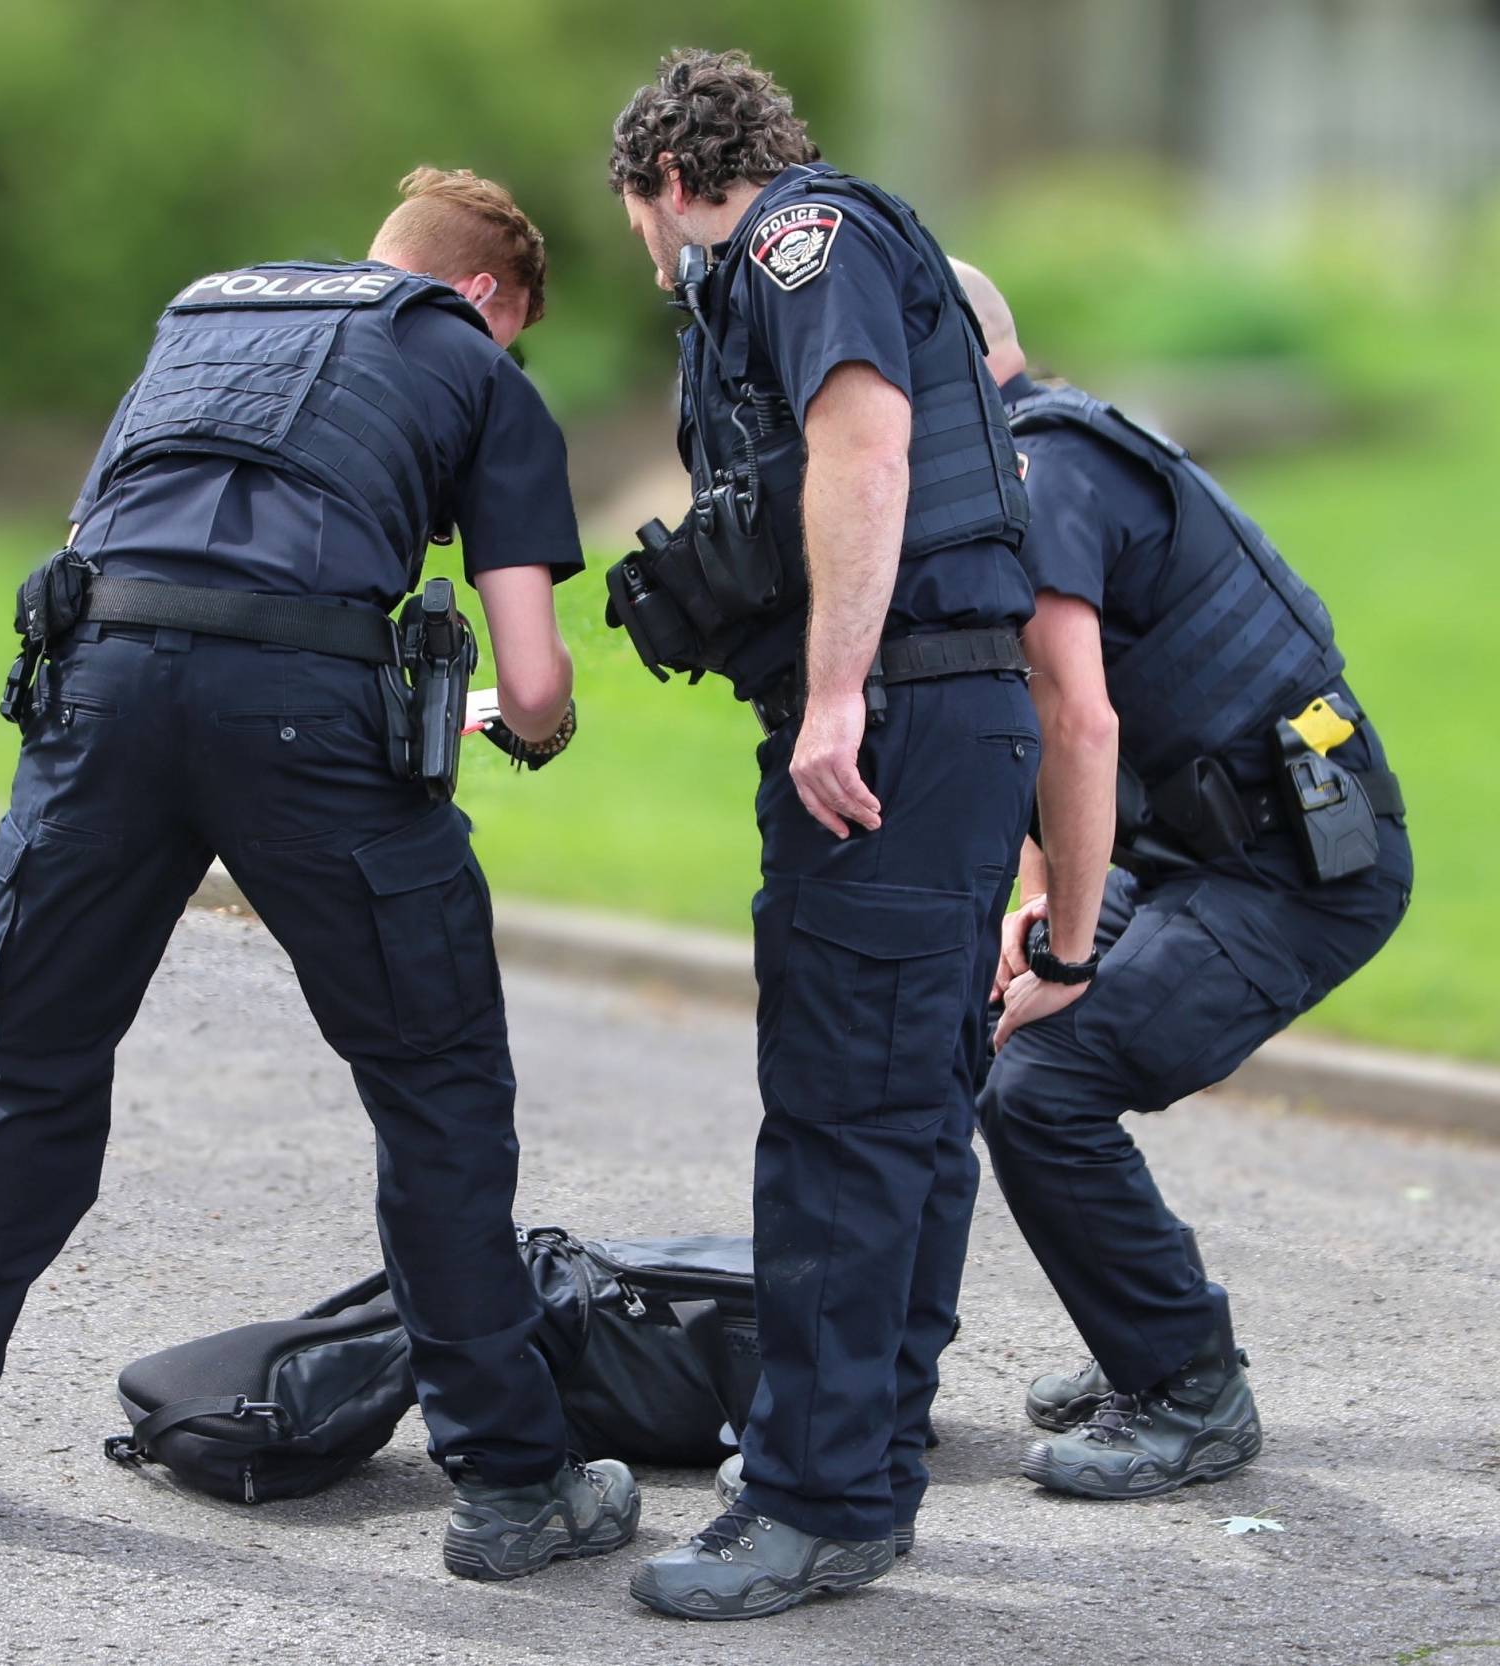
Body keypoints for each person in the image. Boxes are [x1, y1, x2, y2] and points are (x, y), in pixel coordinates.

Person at [0, 168, 640, 1582]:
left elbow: (133, 528)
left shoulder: (207, 318)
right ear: (488, 297)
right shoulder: (473, 362)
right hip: (306, 719)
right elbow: (530, 679)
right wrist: (537, 726)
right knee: (437, 1090)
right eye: (510, 328)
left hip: (97, 692)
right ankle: (513, 1489)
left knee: (31, 1070)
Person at [604, 51, 1037, 1621]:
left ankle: (817, 1500)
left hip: (898, 722)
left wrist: (836, 697)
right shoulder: (813, 253)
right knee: (907, 1107)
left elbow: (865, 446)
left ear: (664, 183)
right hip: (952, 721)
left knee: (845, 1110)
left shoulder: (795, 240)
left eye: (645, 227)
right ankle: (857, 1459)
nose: (655, 262)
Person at [954, 259, 1412, 1499]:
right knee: (997, 1037)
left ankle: (1192, 1389)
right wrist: (1047, 897)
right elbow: (1039, 717)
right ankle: (1146, 1335)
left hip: (1297, 873)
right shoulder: (1030, 457)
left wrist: (1073, 948)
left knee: (1047, 1078)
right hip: (1202, 852)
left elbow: (1077, 723)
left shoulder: (1045, 474)